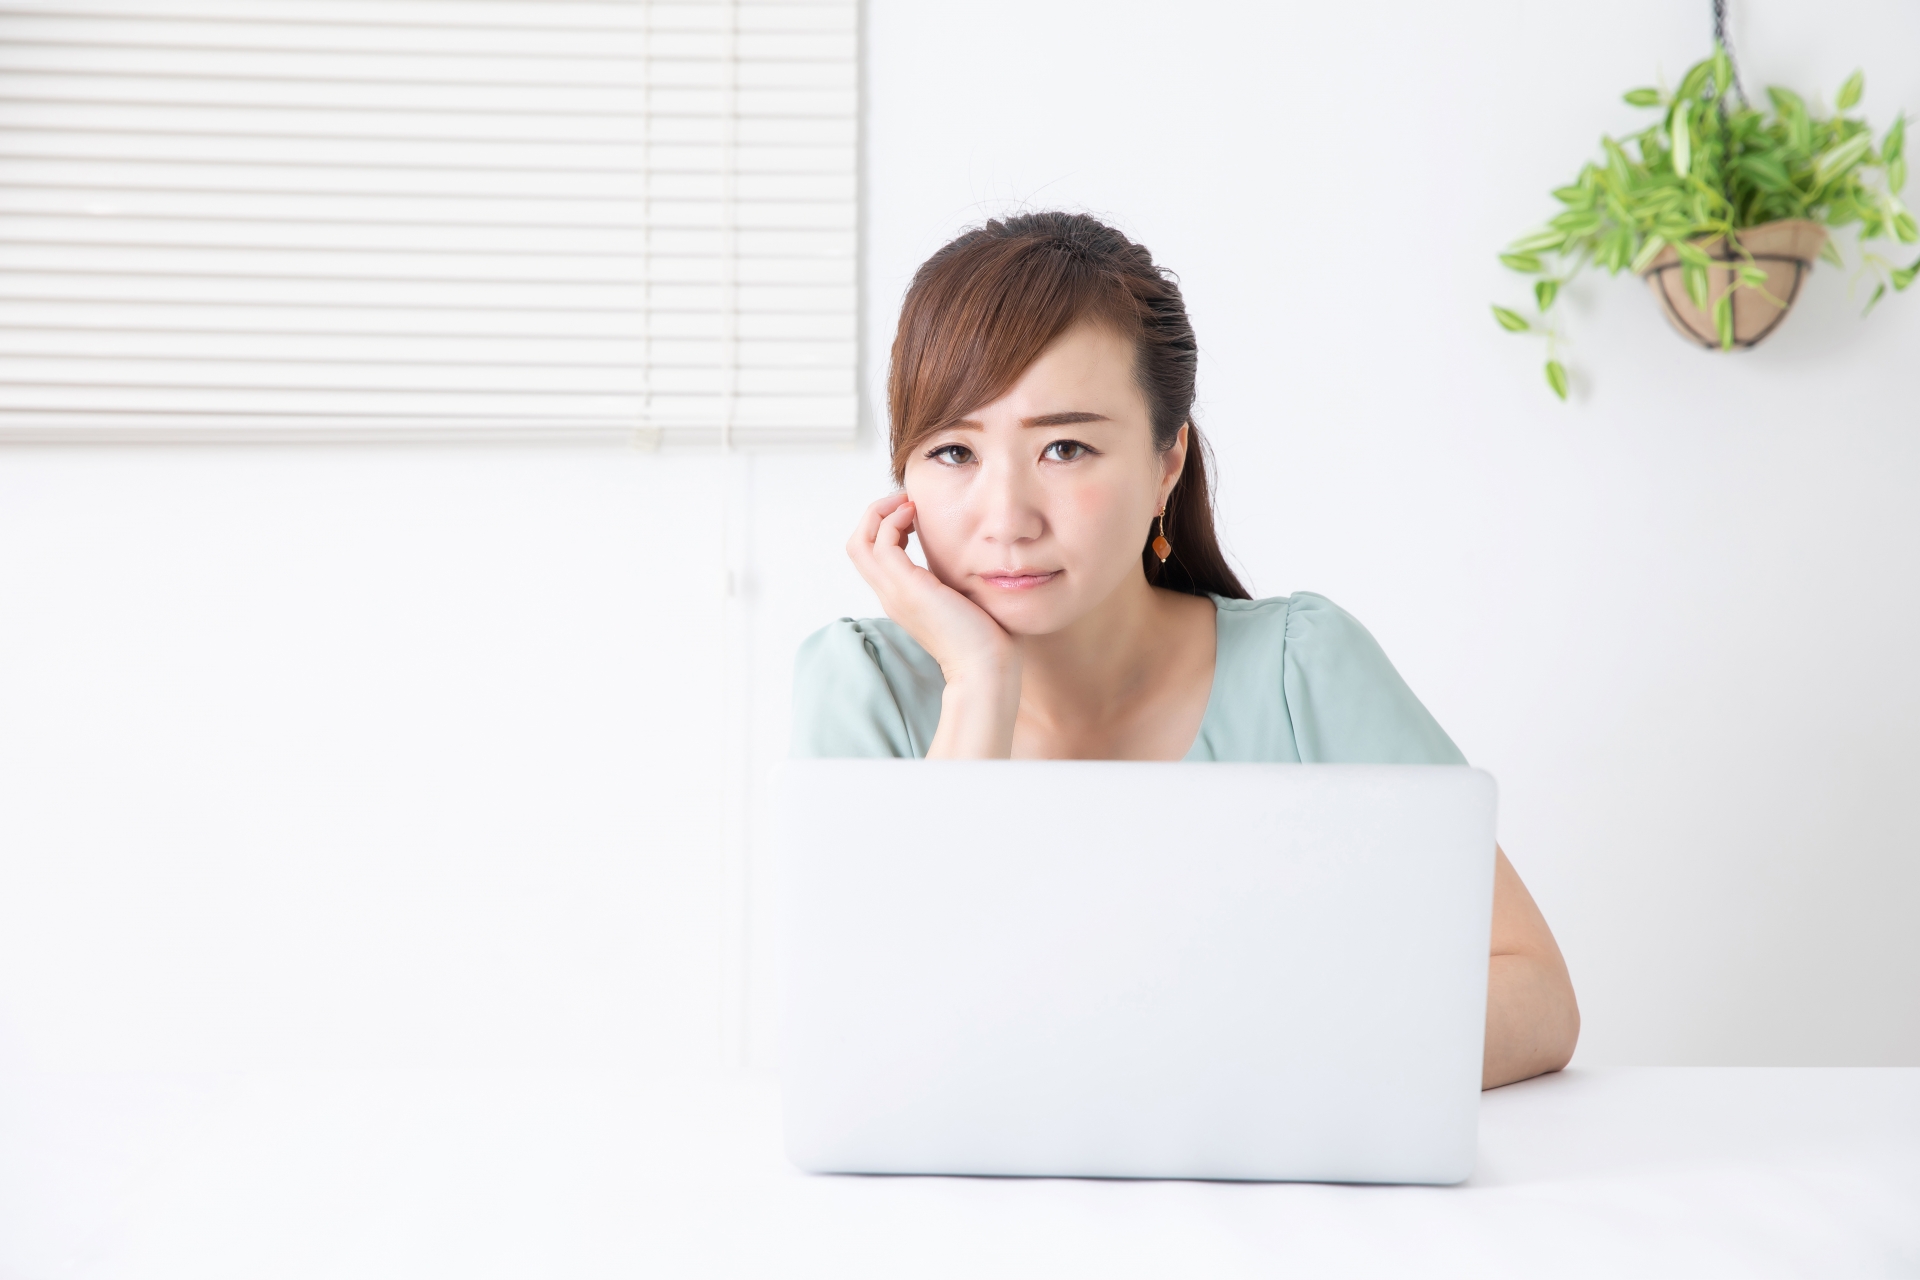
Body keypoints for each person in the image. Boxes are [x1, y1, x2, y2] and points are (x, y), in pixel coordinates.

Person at [792, 211, 1579, 1089]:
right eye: (952, 452)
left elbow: (1535, 994)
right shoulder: (862, 689)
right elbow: (872, 1049)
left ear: (1167, 462)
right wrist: (978, 681)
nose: (1006, 518)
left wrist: (1228, 1073)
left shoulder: (1299, 672)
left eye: (1064, 447)